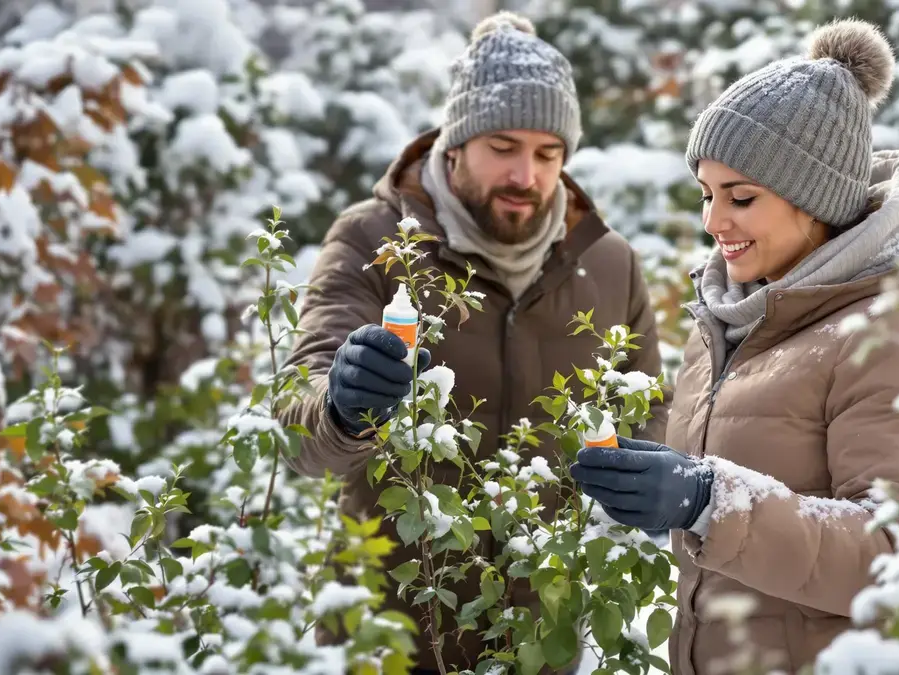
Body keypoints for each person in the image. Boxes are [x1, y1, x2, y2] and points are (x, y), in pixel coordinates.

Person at [569, 18, 899, 674]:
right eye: (708, 194)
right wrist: (660, 483)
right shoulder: (729, 316)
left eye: (741, 197)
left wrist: (707, 499)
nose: (713, 221)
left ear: (816, 199)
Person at [277, 11, 669, 675]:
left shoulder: (607, 264)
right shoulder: (372, 241)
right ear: (454, 144)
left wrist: (644, 481)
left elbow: (651, 414)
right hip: (390, 640)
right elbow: (298, 425)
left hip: (544, 645)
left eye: (549, 154)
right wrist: (342, 405)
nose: (527, 175)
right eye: (503, 147)